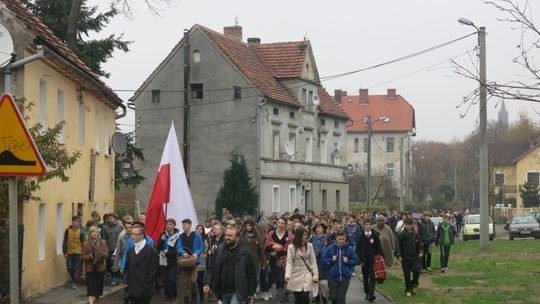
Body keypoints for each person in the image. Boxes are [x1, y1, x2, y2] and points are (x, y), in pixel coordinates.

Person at [203, 226, 257, 304]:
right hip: (223, 290)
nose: (227, 238)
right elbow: (212, 267)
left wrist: (251, 292)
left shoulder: (245, 253)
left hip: (238, 291)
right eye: (226, 235)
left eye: (230, 236)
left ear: (237, 238)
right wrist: (207, 283)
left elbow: (251, 274)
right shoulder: (219, 250)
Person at [124, 226, 159, 304]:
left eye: (135, 234)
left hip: (144, 289)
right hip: (131, 289)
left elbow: (153, 270)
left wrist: (146, 281)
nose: (132, 236)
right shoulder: (131, 251)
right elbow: (127, 267)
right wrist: (126, 280)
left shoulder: (152, 251)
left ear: (142, 235)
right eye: (132, 234)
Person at [322, 231, 358, 304]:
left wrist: (348, 261)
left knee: (341, 298)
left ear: (345, 238)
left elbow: (355, 261)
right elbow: (324, 259)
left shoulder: (350, 249)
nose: (341, 241)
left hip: (345, 277)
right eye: (339, 239)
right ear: (336, 238)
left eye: (343, 239)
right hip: (333, 277)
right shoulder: (330, 248)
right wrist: (331, 260)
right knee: (334, 298)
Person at [285, 227, 319, 304]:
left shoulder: (310, 246)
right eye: (303, 235)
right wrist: (287, 275)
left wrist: (316, 275)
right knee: (297, 297)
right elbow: (289, 262)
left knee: (305, 296)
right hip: (295, 273)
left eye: (306, 235)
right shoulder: (291, 247)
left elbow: (313, 261)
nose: (305, 236)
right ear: (298, 235)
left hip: (307, 272)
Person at [264, 217, 293, 304]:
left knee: (281, 279)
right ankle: (278, 295)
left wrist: (279, 250)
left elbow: (289, 248)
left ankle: (280, 300)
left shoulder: (289, 235)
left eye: (282, 223)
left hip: (284, 261)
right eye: (279, 223)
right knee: (275, 278)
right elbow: (266, 246)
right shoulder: (271, 233)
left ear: (285, 225)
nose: (280, 225)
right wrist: (272, 249)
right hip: (273, 260)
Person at [356, 219, 383, 303]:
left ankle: (371, 294)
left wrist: (381, 256)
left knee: (372, 277)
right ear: (363, 226)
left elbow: (379, 247)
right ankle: (367, 292)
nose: (368, 226)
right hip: (364, 260)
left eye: (369, 224)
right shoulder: (361, 236)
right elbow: (358, 249)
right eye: (366, 224)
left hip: (373, 259)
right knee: (365, 277)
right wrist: (360, 260)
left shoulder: (375, 235)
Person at [395, 218, 423, 297]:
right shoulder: (401, 235)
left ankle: (414, 282)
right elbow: (398, 246)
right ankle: (408, 290)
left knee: (417, 271)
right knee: (407, 274)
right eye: (406, 225)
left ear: (412, 225)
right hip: (405, 257)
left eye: (409, 225)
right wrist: (399, 255)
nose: (408, 226)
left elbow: (420, 244)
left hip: (414, 257)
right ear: (405, 225)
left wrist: (420, 252)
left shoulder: (416, 234)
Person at [178, 218, 204, 304]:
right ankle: (186, 300)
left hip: (194, 262)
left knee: (193, 281)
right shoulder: (180, 236)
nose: (183, 227)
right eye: (182, 225)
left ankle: (194, 296)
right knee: (185, 283)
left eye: (184, 225)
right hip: (184, 262)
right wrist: (183, 252)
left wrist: (196, 253)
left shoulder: (197, 235)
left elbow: (201, 247)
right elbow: (178, 247)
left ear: (190, 225)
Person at [81, 226, 108, 304]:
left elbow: (107, 255)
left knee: (98, 290)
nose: (95, 233)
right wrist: (90, 256)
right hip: (90, 268)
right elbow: (82, 257)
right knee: (90, 288)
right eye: (93, 232)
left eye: (97, 232)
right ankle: (91, 302)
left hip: (100, 268)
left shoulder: (103, 242)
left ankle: (96, 301)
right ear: (90, 233)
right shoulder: (85, 243)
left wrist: (101, 254)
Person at [157, 218, 182, 303]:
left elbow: (177, 249)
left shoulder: (177, 236)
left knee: (172, 279)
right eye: (167, 224)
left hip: (172, 261)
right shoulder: (162, 234)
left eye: (170, 224)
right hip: (163, 260)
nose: (168, 226)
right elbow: (158, 247)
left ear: (174, 225)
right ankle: (168, 297)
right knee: (165, 280)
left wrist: (167, 254)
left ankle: (174, 296)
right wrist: (161, 240)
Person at [63, 216, 84, 289]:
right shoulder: (68, 230)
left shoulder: (81, 231)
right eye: (75, 221)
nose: (77, 223)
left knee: (76, 268)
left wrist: (83, 252)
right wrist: (65, 252)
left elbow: (83, 242)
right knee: (69, 267)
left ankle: (74, 282)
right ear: (72, 222)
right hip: (70, 252)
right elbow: (65, 241)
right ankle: (73, 279)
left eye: (78, 221)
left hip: (78, 252)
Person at [310, 223, 329, 304]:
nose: (318, 229)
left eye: (320, 227)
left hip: (324, 263)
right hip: (315, 262)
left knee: (324, 283)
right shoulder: (312, 239)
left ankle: (325, 298)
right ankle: (316, 298)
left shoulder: (327, 238)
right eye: (317, 228)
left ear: (323, 229)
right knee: (315, 281)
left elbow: (330, 249)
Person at [103, 213, 123, 285]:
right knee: (109, 263)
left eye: (111, 218)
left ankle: (116, 277)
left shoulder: (120, 226)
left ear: (115, 218)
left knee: (116, 263)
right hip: (109, 248)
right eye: (109, 218)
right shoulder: (105, 228)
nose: (110, 220)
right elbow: (104, 238)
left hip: (118, 248)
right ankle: (112, 276)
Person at [195, 224, 209, 302]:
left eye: (201, 229)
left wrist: (206, 254)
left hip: (201, 262)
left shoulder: (205, 239)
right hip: (193, 261)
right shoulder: (193, 237)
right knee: (194, 281)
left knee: (200, 280)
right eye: (198, 229)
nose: (199, 230)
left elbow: (206, 248)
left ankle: (201, 296)